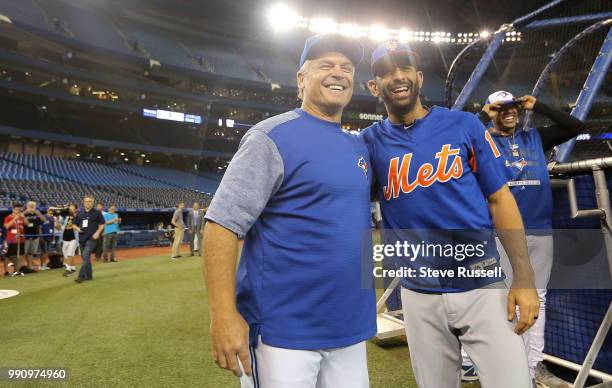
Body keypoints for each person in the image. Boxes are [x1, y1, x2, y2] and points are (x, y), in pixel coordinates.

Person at [361, 42, 539, 388]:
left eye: (405, 67)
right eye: (386, 70)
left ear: (419, 76)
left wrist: (524, 277)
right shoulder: (369, 142)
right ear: (373, 85)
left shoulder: (464, 125)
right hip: (417, 293)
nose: (397, 76)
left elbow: (500, 200)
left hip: (482, 284)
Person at [202, 34, 376, 388]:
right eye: (326, 65)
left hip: (349, 327)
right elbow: (221, 225)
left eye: (346, 67)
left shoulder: (358, 147)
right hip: (283, 331)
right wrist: (223, 314)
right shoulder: (271, 137)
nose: (338, 72)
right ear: (301, 80)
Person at [460, 90, 585, 387]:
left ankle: (530, 368)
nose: (508, 112)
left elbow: (576, 128)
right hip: (501, 232)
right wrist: (482, 117)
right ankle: (483, 362)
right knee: (498, 298)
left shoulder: (535, 137)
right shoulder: (483, 140)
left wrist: (537, 105)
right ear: (493, 111)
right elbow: (456, 143)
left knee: (537, 297)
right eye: (501, 108)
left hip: (540, 229)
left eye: (513, 106)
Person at [72, 196, 105, 283]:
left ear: (93, 202)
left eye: (90, 201)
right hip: (82, 238)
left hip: (92, 238)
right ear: (83, 202)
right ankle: (89, 276)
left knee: (86, 255)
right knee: (85, 258)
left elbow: (102, 224)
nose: (88, 203)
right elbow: (74, 225)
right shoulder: (80, 213)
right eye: (86, 201)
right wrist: (78, 229)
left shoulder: (97, 213)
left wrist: (97, 233)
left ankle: (81, 276)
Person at [4, 202, 26, 277]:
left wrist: (24, 217)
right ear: (13, 209)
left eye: (19, 210)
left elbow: (27, 224)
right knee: (9, 256)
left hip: (21, 239)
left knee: (19, 256)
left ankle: (16, 271)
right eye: (16, 209)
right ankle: (7, 271)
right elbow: (6, 227)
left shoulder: (21, 217)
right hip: (12, 239)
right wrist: (14, 218)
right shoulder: (8, 217)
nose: (18, 211)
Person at [23, 201, 46, 272]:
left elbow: (44, 220)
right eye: (30, 205)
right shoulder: (24, 213)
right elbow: (20, 218)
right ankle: (22, 266)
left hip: (35, 235)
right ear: (27, 206)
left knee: (31, 252)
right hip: (25, 235)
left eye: (33, 206)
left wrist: (38, 213)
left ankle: (29, 266)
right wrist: (25, 212)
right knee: (24, 252)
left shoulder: (37, 213)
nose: (32, 207)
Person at [57, 204, 79, 276]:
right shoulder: (67, 217)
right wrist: (57, 218)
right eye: (69, 208)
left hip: (73, 238)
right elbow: (60, 227)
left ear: (75, 209)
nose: (70, 209)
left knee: (70, 253)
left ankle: (68, 269)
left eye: (72, 208)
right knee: (66, 253)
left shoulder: (78, 217)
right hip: (65, 237)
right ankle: (72, 267)